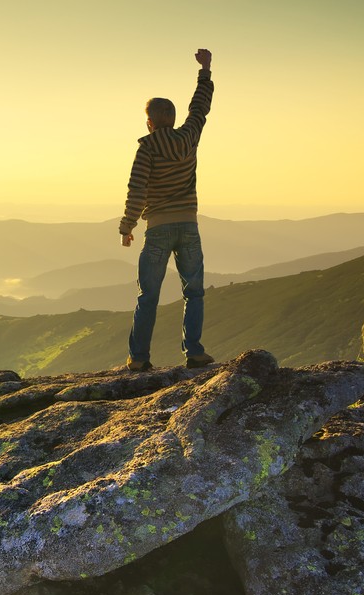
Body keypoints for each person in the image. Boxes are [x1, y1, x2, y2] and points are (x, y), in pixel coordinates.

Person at [119, 48, 216, 372]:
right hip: (188, 227)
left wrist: (127, 226)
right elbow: (200, 107)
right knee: (194, 292)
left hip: (158, 229)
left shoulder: (147, 148)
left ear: (149, 123)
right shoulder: (189, 136)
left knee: (148, 296)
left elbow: (137, 190)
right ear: (173, 120)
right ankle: (194, 352)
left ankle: (138, 358)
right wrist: (205, 70)